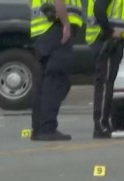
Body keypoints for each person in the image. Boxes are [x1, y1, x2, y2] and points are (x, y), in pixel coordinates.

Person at [30, 0, 85, 142]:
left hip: (41, 31)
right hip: (56, 28)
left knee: (43, 82)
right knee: (56, 80)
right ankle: (47, 128)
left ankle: (38, 128)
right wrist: (65, 22)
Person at [86, 0, 124, 138]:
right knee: (104, 84)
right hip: (105, 41)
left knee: (106, 83)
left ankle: (104, 123)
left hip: (105, 40)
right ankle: (101, 124)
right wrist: (109, 31)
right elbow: (99, 10)